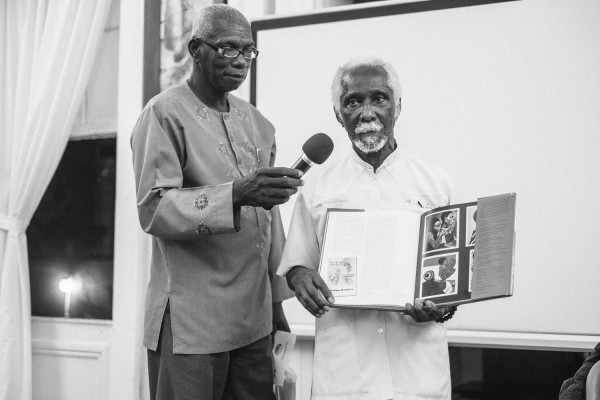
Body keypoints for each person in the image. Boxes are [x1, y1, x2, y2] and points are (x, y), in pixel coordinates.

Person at [130, 5, 303, 400]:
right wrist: (237, 194)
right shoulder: (163, 113)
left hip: (254, 321)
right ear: (195, 49)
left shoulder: (258, 123)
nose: (240, 61)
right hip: (192, 322)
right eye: (227, 48)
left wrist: (276, 307)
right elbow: (155, 208)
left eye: (248, 51)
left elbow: (267, 220)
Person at [277, 56, 457, 400]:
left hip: (418, 373)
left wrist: (442, 305)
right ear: (337, 113)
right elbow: (297, 266)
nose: (367, 112)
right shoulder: (316, 188)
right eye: (353, 101)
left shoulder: (437, 184)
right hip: (345, 375)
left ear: (398, 106)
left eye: (379, 98)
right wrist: (301, 280)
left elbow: (451, 280)